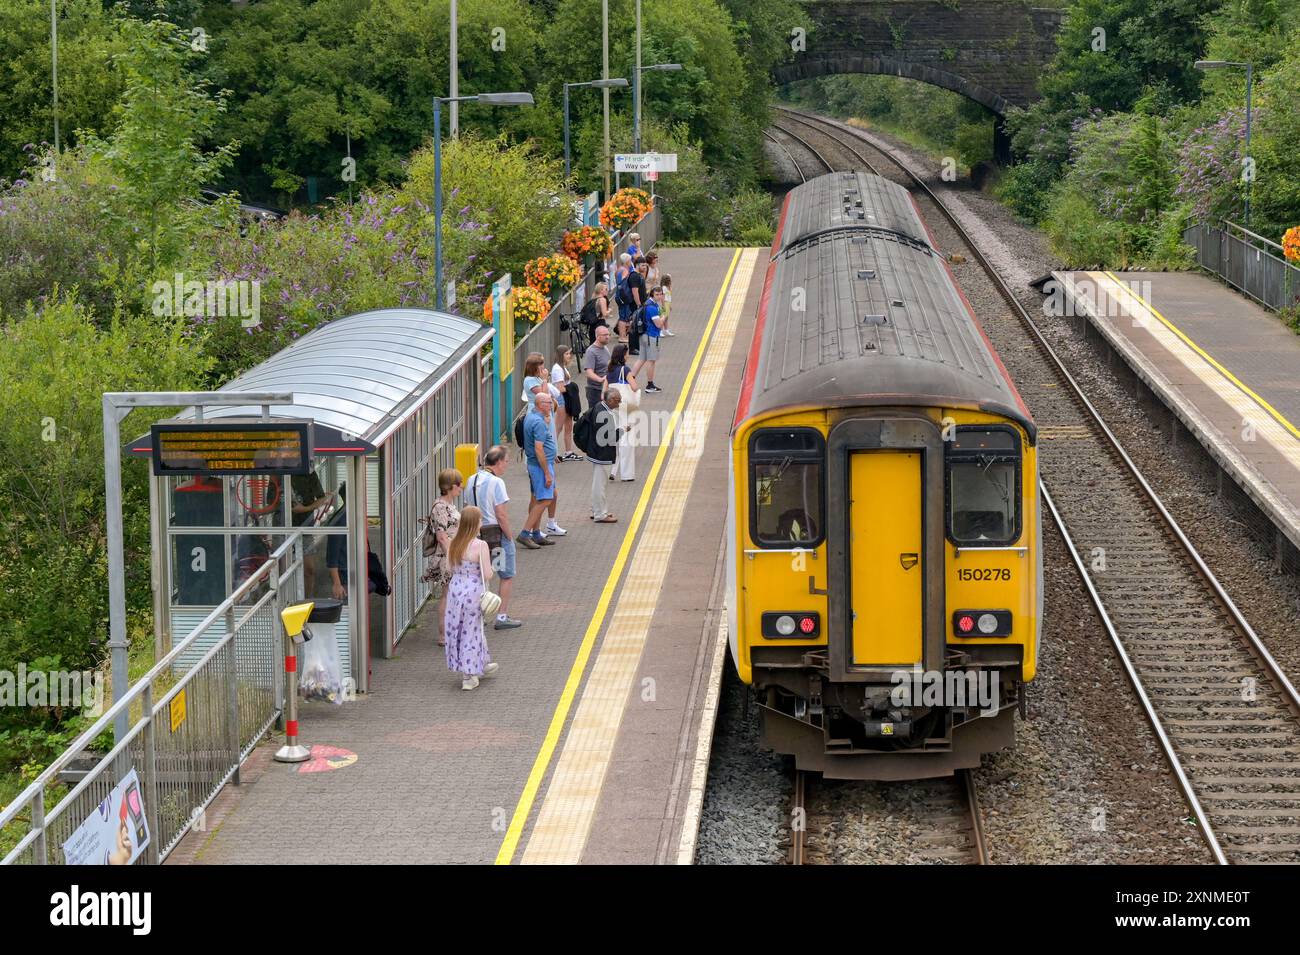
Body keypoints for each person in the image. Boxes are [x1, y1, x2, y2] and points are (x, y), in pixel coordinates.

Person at [442, 505, 500, 691]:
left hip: (455, 591)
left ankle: (482, 662)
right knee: (471, 631)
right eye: (480, 519)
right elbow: (488, 574)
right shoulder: (480, 545)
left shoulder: (453, 543)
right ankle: (469, 675)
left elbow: (450, 568)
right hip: (474, 592)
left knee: (458, 630)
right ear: (475, 523)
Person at [466, 446, 522, 630]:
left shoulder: (471, 480)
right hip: (496, 535)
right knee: (506, 575)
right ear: (498, 462)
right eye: (506, 461)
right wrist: (509, 535)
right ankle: (502, 615)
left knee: (482, 575)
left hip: (476, 534)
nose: (507, 465)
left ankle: (479, 615)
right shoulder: (497, 483)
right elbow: (501, 514)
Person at [422, 468, 463, 646]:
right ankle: (443, 635)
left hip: (453, 552)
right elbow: (441, 536)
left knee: (451, 593)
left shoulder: (449, 505)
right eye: (459, 485)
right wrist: (452, 558)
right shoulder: (440, 507)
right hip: (447, 555)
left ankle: (450, 632)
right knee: (447, 594)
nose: (461, 488)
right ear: (451, 486)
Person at [519, 392, 560, 547]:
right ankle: (525, 533)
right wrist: (547, 473)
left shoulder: (531, 416)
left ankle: (536, 533)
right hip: (540, 466)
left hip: (536, 464)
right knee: (545, 500)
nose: (552, 405)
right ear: (540, 404)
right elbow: (539, 449)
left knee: (537, 498)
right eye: (549, 402)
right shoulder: (538, 422)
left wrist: (552, 453)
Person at [585, 388, 621, 523]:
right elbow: (609, 439)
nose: (619, 403)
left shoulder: (599, 407)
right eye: (618, 401)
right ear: (610, 400)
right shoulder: (604, 414)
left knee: (598, 483)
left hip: (596, 451)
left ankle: (596, 510)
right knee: (600, 484)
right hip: (602, 454)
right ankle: (600, 514)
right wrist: (622, 431)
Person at [606, 343, 639, 482]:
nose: (628, 356)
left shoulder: (609, 371)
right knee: (627, 438)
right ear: (622, 356)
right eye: (626, 354)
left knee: (615, 436)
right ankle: (627, 474)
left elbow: (604, 391)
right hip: (626, 406)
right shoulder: (625, 370)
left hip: (613, 406)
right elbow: (634, 386)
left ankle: (612, 470)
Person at [631, 284, 667, 394]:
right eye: (657, 294)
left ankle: (629, 379)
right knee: (651, 361)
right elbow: (659, 325)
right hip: (652, 336)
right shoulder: (652, 308)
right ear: (652, 294)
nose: (659, 296)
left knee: (641, 359)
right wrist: (665, 316)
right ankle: (650, 385)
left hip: (643, 335)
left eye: (661, 294)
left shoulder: (648, 304)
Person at [552, 345, 582, 461]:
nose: (569, 356)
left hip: (567, 399)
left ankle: (568, 452)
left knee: (569, 426)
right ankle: (552, 452)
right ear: (561, 355)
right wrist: (571, 388)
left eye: (569, 353)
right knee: (558, 427)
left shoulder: (562, 367)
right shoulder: (557, 369)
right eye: (567, 354)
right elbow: (560, 388)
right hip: (561, 399)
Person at [582, 324, 612, 411]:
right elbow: (589, 372)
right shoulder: (591, 351)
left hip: (605, 389)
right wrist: (600, 379)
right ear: (598, 337)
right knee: (595, 417)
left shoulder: (605, 348)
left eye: (608, 334)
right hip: (595, 390)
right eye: (605, 335)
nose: (607, 337)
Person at [626, 256, 649, 359]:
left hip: (640, 304)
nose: (645, 267)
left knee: (638, 324)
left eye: (645, 265)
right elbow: (634, 291)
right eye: (643, 265)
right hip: (636, 305)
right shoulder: (634, 276)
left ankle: (637, 347)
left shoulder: (638, 275)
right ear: (637, 265)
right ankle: (632, 348)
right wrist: (639, 304)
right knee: (634, 325)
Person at [613, 252, 633, 342]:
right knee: (623, 317)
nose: (631, 262)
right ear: (626, 261)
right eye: (629, 260)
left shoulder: (618, 269)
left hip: (619, 295)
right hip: (623, 296)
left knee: (623, 315)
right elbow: (624, 282)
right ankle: (622, 336)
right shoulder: (625, 270)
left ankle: (623, 335)